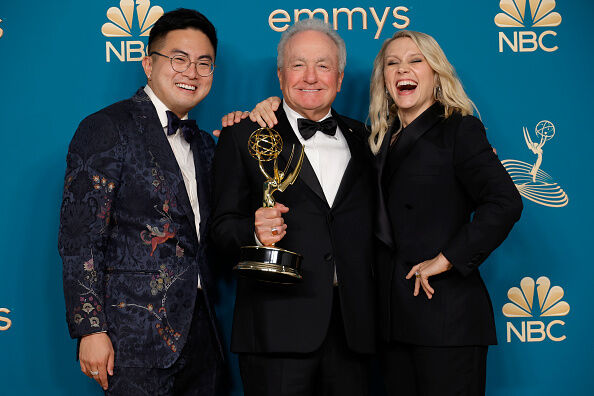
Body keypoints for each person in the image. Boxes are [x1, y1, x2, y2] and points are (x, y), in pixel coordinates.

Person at [232, 29, 523, 396]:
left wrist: (449, 258)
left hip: (443, 315)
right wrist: (263, 108)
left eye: (416, 60)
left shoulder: (459, 129)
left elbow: (505, 202)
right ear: (383, 79)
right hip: (388, 324)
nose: (404, 69)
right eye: (392, 63)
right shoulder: (374, 140)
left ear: (436, 73)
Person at [58, 9, 223, 395]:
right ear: (149, 64)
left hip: (202, 333)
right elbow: (80, 237)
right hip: (132, 338)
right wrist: (90, 328)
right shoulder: (106, 127)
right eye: (178, 59)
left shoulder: (206, 144)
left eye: (204, 63)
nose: (191, 72)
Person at [211, 18, 376, 396]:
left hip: (354, 334)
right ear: (281, 75)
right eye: (299, 65)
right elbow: (219, 228)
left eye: (323, 65)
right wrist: (253, 230)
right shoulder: (245, 135)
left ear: (339, 76)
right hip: (275, 332)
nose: (311, 76)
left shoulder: (366, 138)